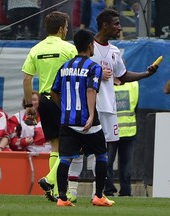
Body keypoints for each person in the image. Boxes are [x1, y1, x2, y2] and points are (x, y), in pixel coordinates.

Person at [66, 8, 158, 200]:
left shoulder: (115, 51)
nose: (119, 27)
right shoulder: (88, 48)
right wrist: (99, 74)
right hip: (89, 107)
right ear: (105, 26)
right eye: (116, 24)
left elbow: (122, 75)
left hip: (108, 107)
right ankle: (72, 191)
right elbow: (80, 74)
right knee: (81, 151)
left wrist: (146, 74)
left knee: (102, 154)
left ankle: (97, 193)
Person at [51, 28, 113, 207]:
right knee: (101, 155)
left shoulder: (65, 66)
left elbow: (53, 92)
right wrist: (91, 115)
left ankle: (62, 198)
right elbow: (91, 90)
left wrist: (64, 108)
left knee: (65, 159)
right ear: (89, 45)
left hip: (68, 121)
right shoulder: (94, 67)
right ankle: (99, 196)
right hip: (89, 122)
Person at [22, 11, 77, 202]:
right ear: (61, 28)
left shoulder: (36, 49)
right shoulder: (69, 49)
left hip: (44, 101)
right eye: (67, 27)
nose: (67, 30)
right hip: (63, 100)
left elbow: (27, 79)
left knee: (55, 147)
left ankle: (59, 192)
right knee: (72, 145)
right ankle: (51, 180)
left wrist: (30, 105)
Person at [104, 78, 139, 196]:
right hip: (110, 132)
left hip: (128, 132)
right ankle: (108, 190)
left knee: (126, 167)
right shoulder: (105, 85)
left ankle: (126, 192)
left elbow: (135, 108)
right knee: (106, 163)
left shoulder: (133, 84)